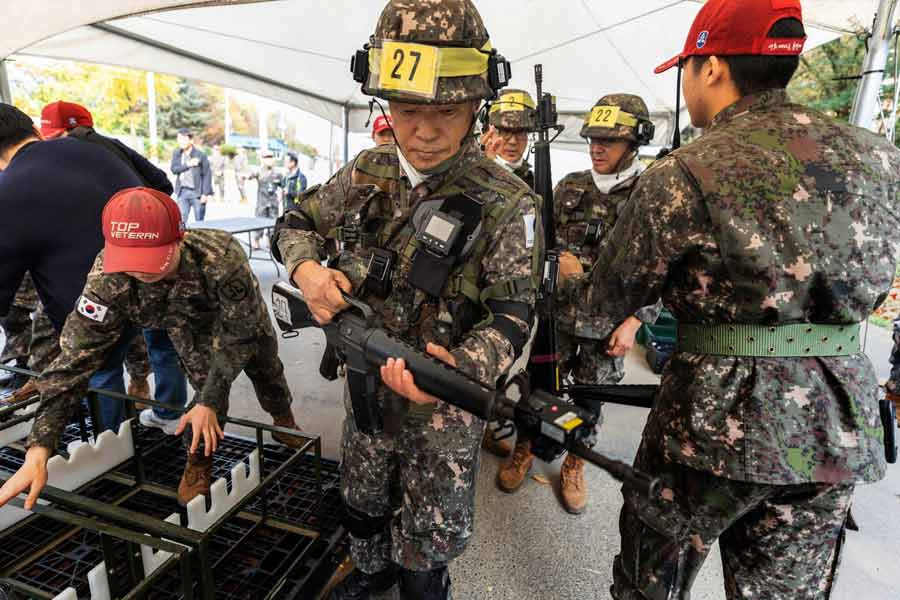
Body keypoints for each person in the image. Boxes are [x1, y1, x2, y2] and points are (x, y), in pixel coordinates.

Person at [557, 1, 899, 597]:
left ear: (711, 67)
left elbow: (595, 309)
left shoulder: (685, 171)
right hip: (834, 428)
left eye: (685, 69)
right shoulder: (881, 158)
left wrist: (566, 276)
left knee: (650, 587)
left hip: (708, 428)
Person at [272, 1, 537, 597]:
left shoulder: (505, 200)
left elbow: (515, 313)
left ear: (477, 107)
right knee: (361, 500)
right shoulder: (368, 171)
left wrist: (462, 368)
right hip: (364, 389)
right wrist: (308, 268)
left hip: (440, 404)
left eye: (446, 110)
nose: (423, 130)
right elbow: (293, 222)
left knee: (429, 537)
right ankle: (368, 570)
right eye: (407, 109)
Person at [0, 187, 306, 509]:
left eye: (152, 259)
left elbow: (240, 334)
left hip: (235, 320)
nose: (142, 271)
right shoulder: (108, 277)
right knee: (205, 396)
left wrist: (210, 397)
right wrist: (39, 449)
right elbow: (76, 359)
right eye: (131, 261)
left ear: (179, 238)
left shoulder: (221, 256)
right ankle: (198, 462)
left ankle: (283, 419)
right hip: (180, 325)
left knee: (264, 369)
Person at [497, 94, 661, 515]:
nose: (597, 147)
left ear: (636, 141)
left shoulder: (652, 195)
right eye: (593, 138)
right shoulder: (569, 186)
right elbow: (538, 242)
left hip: (607, 326)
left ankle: (575, 463)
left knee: (588, 399)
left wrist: (634, 323)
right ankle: (526, 448)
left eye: (610, 140)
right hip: (558, 318)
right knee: (537, 388)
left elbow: (663, 268)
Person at [0, 103, 183, 433]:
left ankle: (114, 446)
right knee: (162, 346)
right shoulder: (93, 150)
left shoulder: (8, 190)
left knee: (102, 371)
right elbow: (157, 187)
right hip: (157, 271)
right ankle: (170, 417)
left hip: (95, 301)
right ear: (35, 131)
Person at [41, 100, 173, 195]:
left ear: (77, 130)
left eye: (56, 136)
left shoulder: (77, 149)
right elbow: (163, 183)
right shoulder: (114, 144)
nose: (52, 143)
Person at [479, 88, 536, 188]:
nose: (513, 141)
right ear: (488, 132)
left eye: (520, 132)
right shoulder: (469, 177)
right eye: (504, 131)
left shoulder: (536, 182)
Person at [170, 129, 212, 223]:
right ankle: (182, 238)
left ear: (191, 140)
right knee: (181, 221)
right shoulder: (177, 154)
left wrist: (205, 194)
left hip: (197, 193)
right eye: (179, 139)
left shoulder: (200, 155)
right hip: (182, 192)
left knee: (199, 222)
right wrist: (188, 164)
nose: (181, 142)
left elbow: (207, 175)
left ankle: (199, 238)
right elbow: (174, 169)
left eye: (184, 139)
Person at [249, 150, 283, 249]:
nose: (269, 160)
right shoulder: (259, 171)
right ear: (263, 159)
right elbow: (249, 175)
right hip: (262, 202)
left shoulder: (278, 173)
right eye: (266, 157)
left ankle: (270, 240)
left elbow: (283, 185)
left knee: (273, 222)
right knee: (259, 221)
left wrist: (281, 195)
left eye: (270, 157)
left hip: (273, 202)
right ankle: (256, 240)